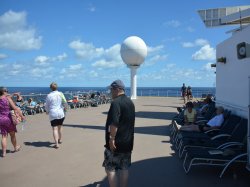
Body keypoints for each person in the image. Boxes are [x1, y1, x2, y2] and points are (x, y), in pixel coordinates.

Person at [103, 80, 135, 187]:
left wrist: (111, 139)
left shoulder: (115, 103)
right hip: (128, 142)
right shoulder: (130, 102)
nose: (110, 92)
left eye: (111, 89)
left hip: (116, 144)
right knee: (124, 168)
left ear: (117, 89)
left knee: (110, 168)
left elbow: (114, 123)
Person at [0, 87, 25, 157]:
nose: (7, 92)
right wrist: (22, 116)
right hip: (8, 118)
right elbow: (15, 108)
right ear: (4, 92)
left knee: (4, 136)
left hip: (1, 119)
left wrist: (13, 94)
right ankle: (15, 147)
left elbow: (6, 96)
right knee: (12, 135)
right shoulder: (7, 99)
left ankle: (4, 153)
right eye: (7, 91)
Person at [45, 82, 67, 149]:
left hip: (53, 113)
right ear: (57, 87)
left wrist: (47, 111)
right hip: (60, 113)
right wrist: (65, 108)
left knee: (55, 129)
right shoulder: (61, 94)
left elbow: (47, 105)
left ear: (51, 88)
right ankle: (60, 139)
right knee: (60, 127)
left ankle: (56, 144)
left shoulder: (49, 95)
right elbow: (65, 102)